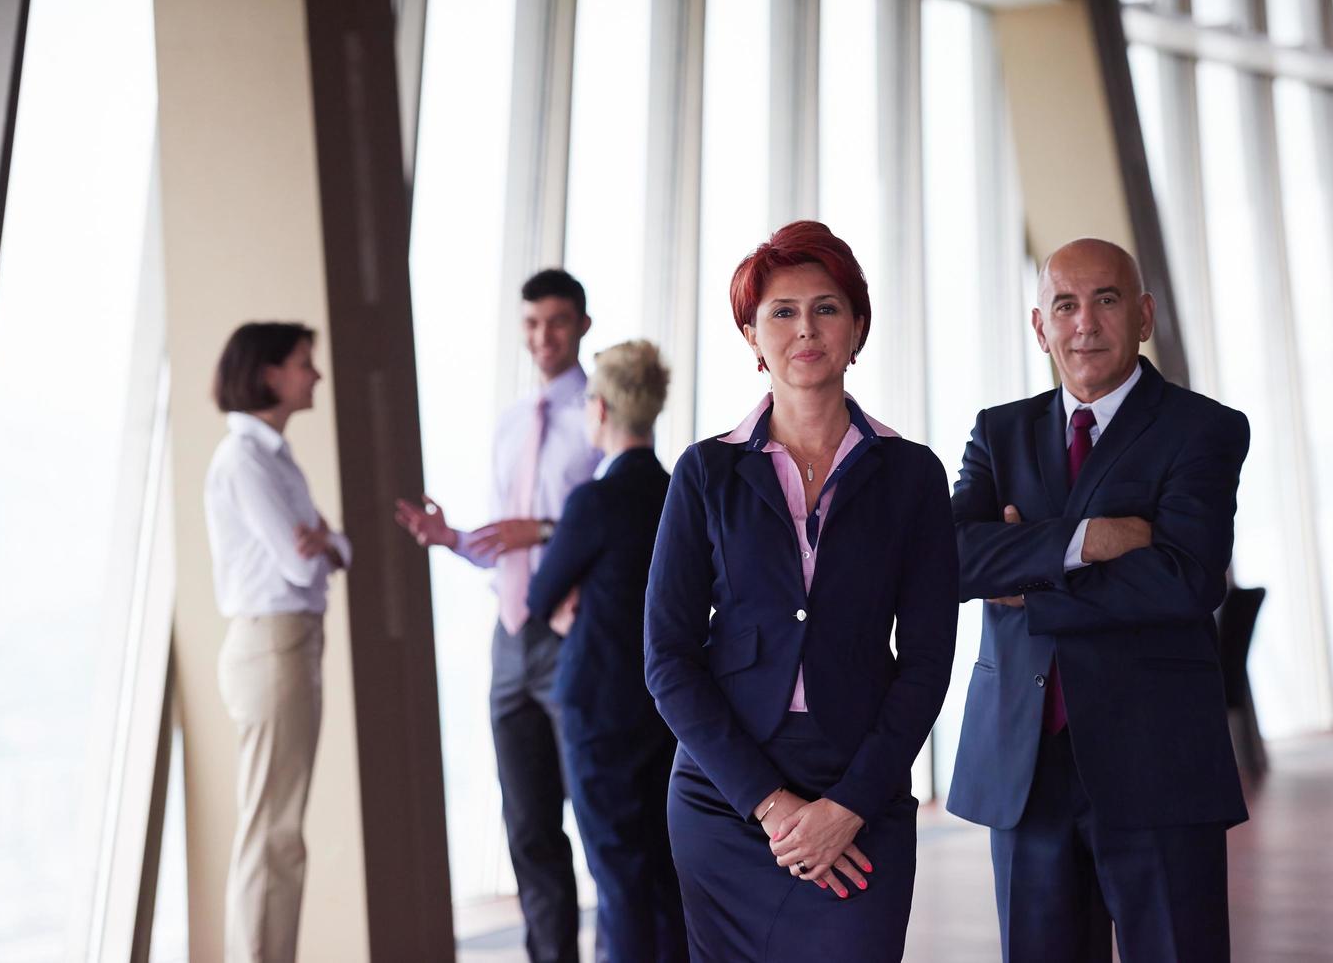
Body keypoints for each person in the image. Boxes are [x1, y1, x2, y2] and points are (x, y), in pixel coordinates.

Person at [644, 220, 959, 961]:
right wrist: (771, 805)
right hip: (726, 794)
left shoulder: (911, 475)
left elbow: (925, 660)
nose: (804, 329)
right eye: (780, 312)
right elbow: (666, 658)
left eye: (825, 307)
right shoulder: (703, 474)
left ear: (856, 327)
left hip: (860, 782)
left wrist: (848, 804)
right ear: (751, 336)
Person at [947, 238, 1250, 962]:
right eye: (1064, 304)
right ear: (1039, 325)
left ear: (1142, 315)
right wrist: (1092, 539)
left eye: (1105, 300)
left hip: (1157, 768)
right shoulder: (999, 431)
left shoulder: (1202, 429)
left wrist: (1030, 580)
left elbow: (1182, 580)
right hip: (1024, 769)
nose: (1084, 322)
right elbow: (951, 559)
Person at [394, 269, 600, 963]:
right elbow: (499, 544)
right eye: (532, 325)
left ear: (582, 327)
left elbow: (615, 528)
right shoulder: (512, 423)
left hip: (575, 636)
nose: (544, 337)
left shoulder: (597, 418)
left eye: (558, 322)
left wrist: (540, 531)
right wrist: (453, 539)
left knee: (599, 818)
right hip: (508, 642)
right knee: (527, 827)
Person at [527, 339, 688, 962]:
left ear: (600, 409)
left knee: (618, 877)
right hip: (668, 710)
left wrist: (581, 606)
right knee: (667, 876)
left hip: (599, 711)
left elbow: (541, 598)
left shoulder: (594, 500)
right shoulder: (679, 493)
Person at [205, 322, 352, 963]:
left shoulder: (271, 455)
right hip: (273, 648)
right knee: (273, 833)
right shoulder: (244, 458)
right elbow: (302, 565)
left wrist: (325, 542)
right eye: (302, 364)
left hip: (289, 644)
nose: (314, 375)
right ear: (270, 374)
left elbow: (337, 547)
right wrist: (321, 544)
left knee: (278, 830)